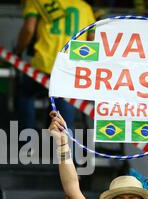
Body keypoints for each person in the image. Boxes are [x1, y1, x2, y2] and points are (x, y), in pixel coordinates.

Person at [15, 0, 96, 131]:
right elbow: (92, 40)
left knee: (26, 93)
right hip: (69, 70)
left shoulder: (37, 1)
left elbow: (29, 29)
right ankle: (64, 147)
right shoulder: (85, 7)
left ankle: (27, 145)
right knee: (65, 125)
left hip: (44, 66)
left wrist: (18, 49)